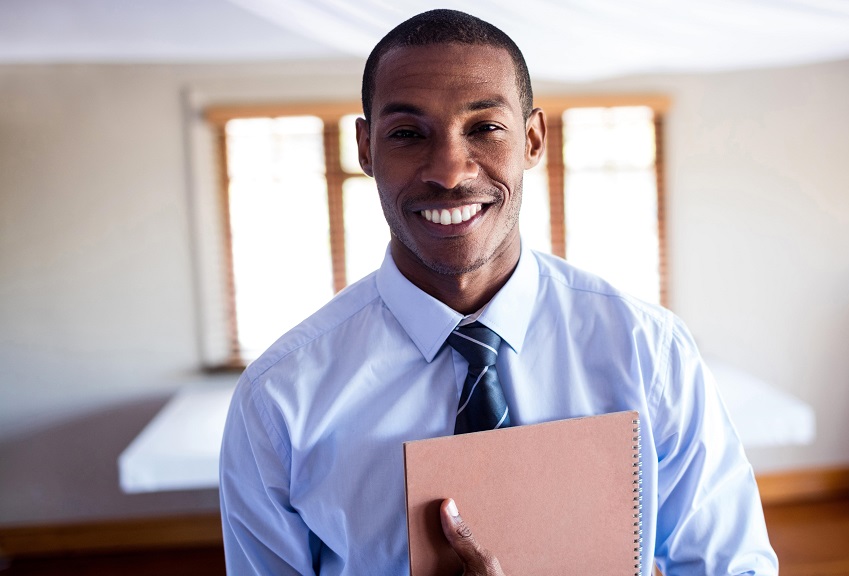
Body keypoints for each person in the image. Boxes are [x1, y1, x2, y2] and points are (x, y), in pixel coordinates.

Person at [219, 8, 778, 576]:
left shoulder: (649, 351)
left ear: (533, 140)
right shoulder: (278, 402)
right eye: (408, 134)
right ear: (366, 148)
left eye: (484, 128)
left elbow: (733, 568)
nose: (449, 172)